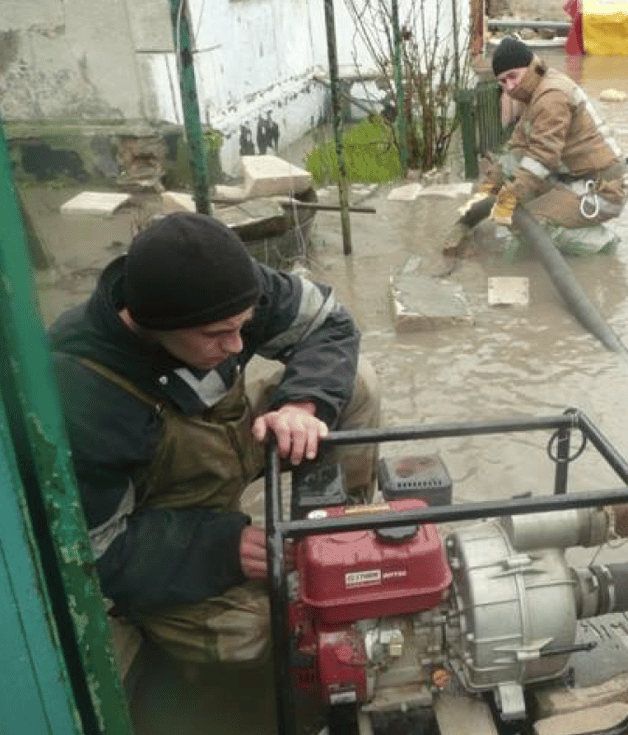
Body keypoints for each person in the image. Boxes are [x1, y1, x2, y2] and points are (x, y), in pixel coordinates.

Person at [48, 212, 381, 665]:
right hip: (162, 509)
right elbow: (95, 553)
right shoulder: (81, 394)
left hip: (235, 441)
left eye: (243, 325)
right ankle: (144, 626)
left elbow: (329, 322)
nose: (239, 346)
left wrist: (301, 404)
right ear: (152, 324)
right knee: (258, 631)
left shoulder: (226, 287)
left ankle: (339, 529)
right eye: (218, 335)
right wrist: (223, 548)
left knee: (356, 382)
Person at [480, 35, 628, 256]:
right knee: (520, 207)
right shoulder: (536, 93)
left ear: (530, 67)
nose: (510, 86)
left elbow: (542, 158)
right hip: (577, 178)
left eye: (513, 76)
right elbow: (517, 149)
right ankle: (571, 222)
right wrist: (488, 187)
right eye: (503, 82)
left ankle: (600, 244)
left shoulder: (551, 96)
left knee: (530, 224)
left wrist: (510, 194)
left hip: (604, 189)